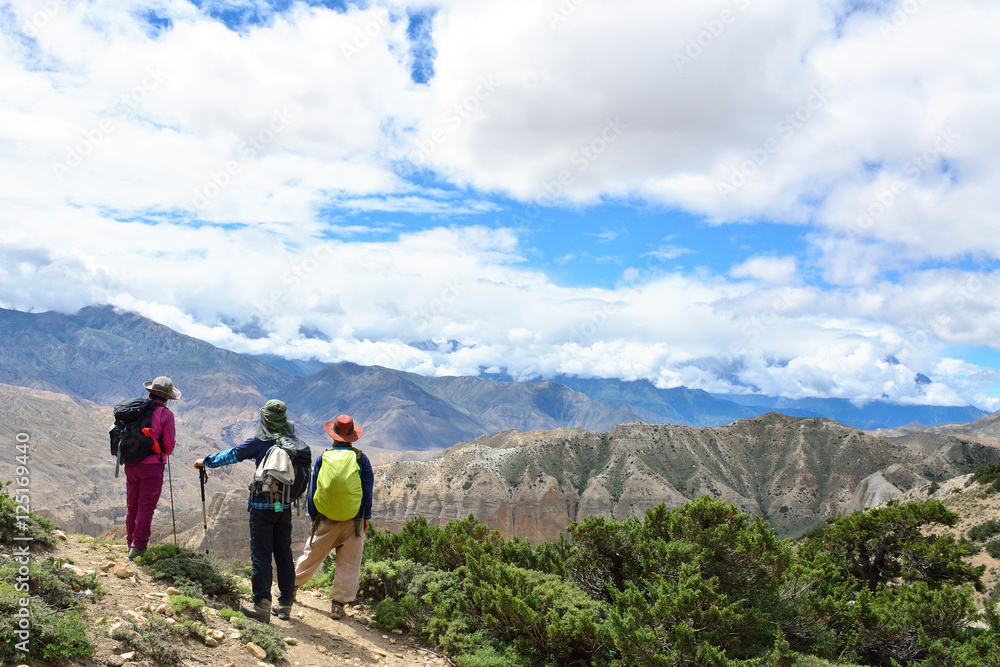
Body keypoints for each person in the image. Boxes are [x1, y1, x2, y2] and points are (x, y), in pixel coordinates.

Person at [194, 399, 296, 623]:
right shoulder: (293, 442)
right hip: (285, 507)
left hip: (261, 507)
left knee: (261, 555)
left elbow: (232, 455)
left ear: (265, 419)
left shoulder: (260, 442)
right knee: (284, 554)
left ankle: (262, 605)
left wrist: (206, 462)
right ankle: (286, 604)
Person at [292, 414, 374, 620]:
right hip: (352, 521)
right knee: (349, 563)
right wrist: (366, 516)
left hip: (326, 518)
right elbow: (367, 489)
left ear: (334, 435)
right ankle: (338, 605)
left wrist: (313, 516)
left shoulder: (323, 457)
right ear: (352, 437)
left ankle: (290, 587)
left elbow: (313, 489)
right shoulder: (360, 459)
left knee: (312, 555)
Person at [126, 376, 181, 561]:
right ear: (167, 398)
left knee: (132, 505)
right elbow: (168, 446)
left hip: (131, 464)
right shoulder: (166, 414)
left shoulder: (135, 409)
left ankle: (130, 543)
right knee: (146, 507)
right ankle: (139, 548)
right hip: (152, 467)